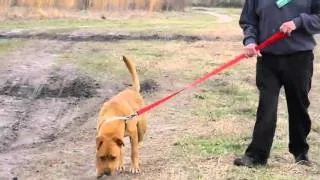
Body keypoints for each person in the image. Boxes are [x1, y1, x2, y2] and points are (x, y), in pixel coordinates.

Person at [234, 0, 320, 167]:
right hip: (267, 59)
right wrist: (250, 40)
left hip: (299, 58)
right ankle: (256, 156)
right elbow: (248, 20)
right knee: (266, 107)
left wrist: (298, 22)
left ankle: (300, 153)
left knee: (298, 106)